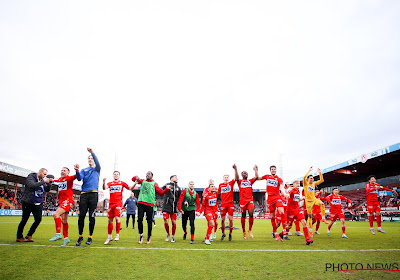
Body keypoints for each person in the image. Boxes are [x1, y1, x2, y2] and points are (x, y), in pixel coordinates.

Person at [132, 172, 171, 244]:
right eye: (146, 174)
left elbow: (160, 193)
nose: (147, 175)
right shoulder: (142, 181)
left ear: (152, 176)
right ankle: (141, 235)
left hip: (149, 204)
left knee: (149, 221)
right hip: (141, 203)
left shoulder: (154, 183)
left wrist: (166, 189)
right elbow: (133, 179)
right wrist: (136, 177)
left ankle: (149, 236)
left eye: (149, 174)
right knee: (139, 219)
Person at [16, 168, 53, 242]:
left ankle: (29, 235)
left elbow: (47, 189)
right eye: (44, 174)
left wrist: (49, 183)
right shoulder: (31, 177)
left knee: (38, 219)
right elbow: (32, 185)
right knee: (24, 220)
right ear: (39, 172)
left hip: (38, 203)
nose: (44, 176)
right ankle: (19, 237)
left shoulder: (42, 181)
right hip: (28, 202)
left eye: (45, 175)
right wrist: (43, 182)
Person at [75, 148, 101, 246]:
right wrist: (77, 171)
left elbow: (98, 162)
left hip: (93, 194)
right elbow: (79, 178)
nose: (90, 159)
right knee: (81, 216)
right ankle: (80, 236)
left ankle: (90, 236)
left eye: (91, 158)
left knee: (92, 216)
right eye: (89, 158)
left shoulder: (97, 169)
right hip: (84, 194)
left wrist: (92, 153)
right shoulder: (84, 170)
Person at [49, 167, 77, 247]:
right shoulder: (60, 180)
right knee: (64, 221)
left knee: (55, 215)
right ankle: (66, 238)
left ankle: (58, 234)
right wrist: (50, 180)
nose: (62, 171)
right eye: (61, 170)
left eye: (64, 170)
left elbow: (76, 176)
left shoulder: (69, 178)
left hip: (67, 201)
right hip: (62, 202)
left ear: (68, 173)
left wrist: (77, 171)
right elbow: (55, 180)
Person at [103, 171, 132, 245]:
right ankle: (109, 237)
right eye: (114, 174)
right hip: (111, 204)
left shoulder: (122, 183)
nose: (116, 175)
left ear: (119, 175)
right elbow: (104, 188)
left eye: (117, 174)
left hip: (118, 203)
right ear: (113, 175)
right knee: (110, 220)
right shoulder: (110, 183)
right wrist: (103, 182)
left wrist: (135, 183)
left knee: (117, 218)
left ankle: (117, 234)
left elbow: (130, 188)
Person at [257, 165, 286, 240]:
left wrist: (285, 194)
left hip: (277, 197)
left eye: (274, 169)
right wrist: (256, 170)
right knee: (273, 217)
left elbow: (282, 187)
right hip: (270, 198)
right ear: (270, 170)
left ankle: (284, 229)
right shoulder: (267, 176)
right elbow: (258, 178)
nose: (273, 170)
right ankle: (275, 232)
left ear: (276, 170)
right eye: (272, 169)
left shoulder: (279, 179)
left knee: (282, 212)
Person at [233, 164, 259, 240]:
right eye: (244, 173)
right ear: (242, 175)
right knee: (243, 215)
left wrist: (255, 170)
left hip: (250, 200)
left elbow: (256, 177)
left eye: (246, 173)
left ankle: (250, 229)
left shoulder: (250, 181)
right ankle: (244, 231)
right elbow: (237, 178)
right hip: (242, 201)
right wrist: (236, 169)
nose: (245, 174)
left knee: (251, 214)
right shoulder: (240, 181)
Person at [303, 167, 328, 238]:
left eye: (313, 178)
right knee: (310, 216)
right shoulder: (305, 184)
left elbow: (322, 180)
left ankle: (323, 218)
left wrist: (320, 173)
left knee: (322, 204)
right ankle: (310, 231)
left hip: (314, 199)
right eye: (311, 178)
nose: (312, 179)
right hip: (308, 202)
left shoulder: (314, 184)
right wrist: (309, 170)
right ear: (308, 179)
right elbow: (304, 177)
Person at [286, 180, 313, 245]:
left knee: (304, 222)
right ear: (293, 184)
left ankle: (307, 239)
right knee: (289, 226)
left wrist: (301, 198)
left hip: (297, 209)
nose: (298, 185)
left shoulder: (298, 191)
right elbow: (288, 194)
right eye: (296, 183)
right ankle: (282, 233)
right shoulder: (291, 190)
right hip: (290, 210)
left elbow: (296, 200)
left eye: (299, 183)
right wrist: (287, 195)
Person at [162, 175, 182, 243]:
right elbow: (161, 189)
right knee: (166, 221)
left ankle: (173, 236)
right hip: (166, 206)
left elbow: (181, 196)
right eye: (175, 177)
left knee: (173, 222)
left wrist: (184, 201)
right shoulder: (167, 185)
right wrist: (166, 188)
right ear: (171, 178)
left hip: (174, 207)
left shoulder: (178, 188)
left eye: (177, 177)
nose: (177, 178)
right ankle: (168, 234)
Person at [218, 174, 236, 241]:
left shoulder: (231, 183)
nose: (226, 178)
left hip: (230, 204)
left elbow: (236, 178)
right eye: (225, 177)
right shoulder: (220, 185)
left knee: (231, 219)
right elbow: (217, 192)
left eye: (227, 177)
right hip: (223, 204)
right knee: (222, 220)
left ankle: (230, 233)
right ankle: (223, 233)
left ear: (229, 178)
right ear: (223, 178)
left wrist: (235, 169)